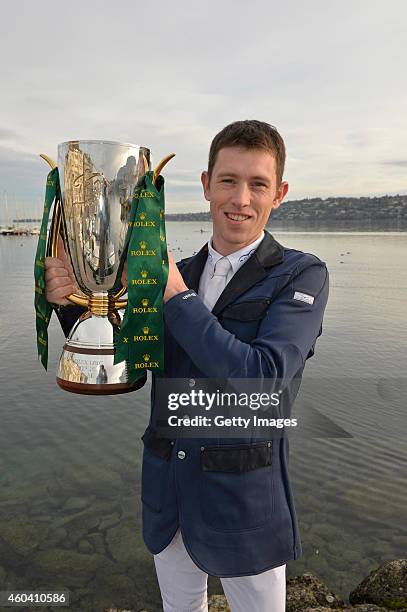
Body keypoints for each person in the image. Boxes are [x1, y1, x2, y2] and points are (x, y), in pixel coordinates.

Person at [45, 120, 329, 612]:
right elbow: (133, 360)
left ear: (278, 193)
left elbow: (262, 381)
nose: (241, 198)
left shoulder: (300, 274)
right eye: (228, 180)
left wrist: (176, 296)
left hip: (243, 499)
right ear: (205, 185)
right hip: (168, 492)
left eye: (258, 184)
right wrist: (75, 305)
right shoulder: (181, 271)